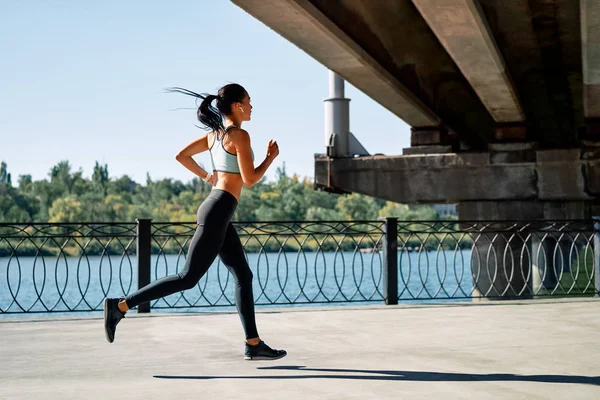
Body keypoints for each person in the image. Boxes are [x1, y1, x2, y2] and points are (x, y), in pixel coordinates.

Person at [103, 83, 286, 361]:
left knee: (243, 275)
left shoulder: (214, 136)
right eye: (248, 101)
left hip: (217, 207)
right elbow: (249, 180)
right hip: (219, 208)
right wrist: (270, 159)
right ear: (237, 105)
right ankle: (121, 305)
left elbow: (181, 156)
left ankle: (253, 343)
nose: (251, 107)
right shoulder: (239, 135)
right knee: (187, 278)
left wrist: (206, 176)